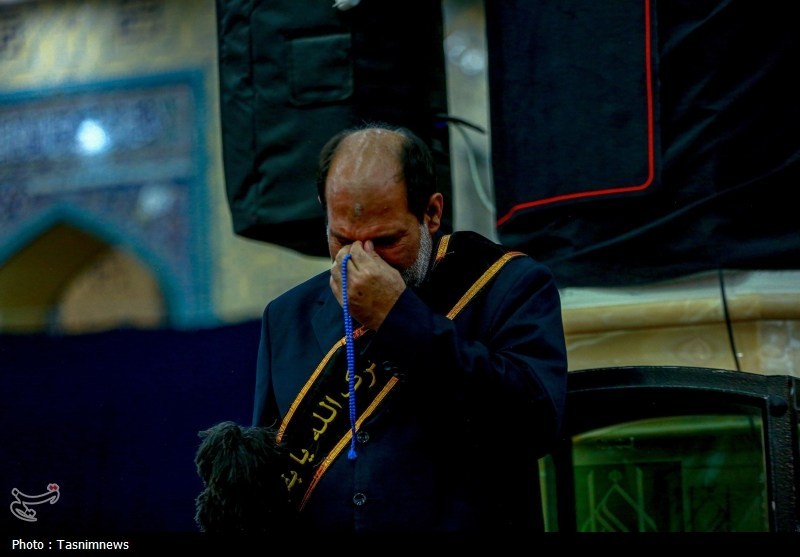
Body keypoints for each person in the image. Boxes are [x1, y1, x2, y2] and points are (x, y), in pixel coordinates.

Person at [252, 123, 568, 533]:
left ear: (431, 213)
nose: (361, 262)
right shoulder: (285, 316)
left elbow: (534, 426)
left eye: (386, 241)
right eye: (341, 240)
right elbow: (273, 477)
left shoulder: (509, 285)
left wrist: (398, 318)